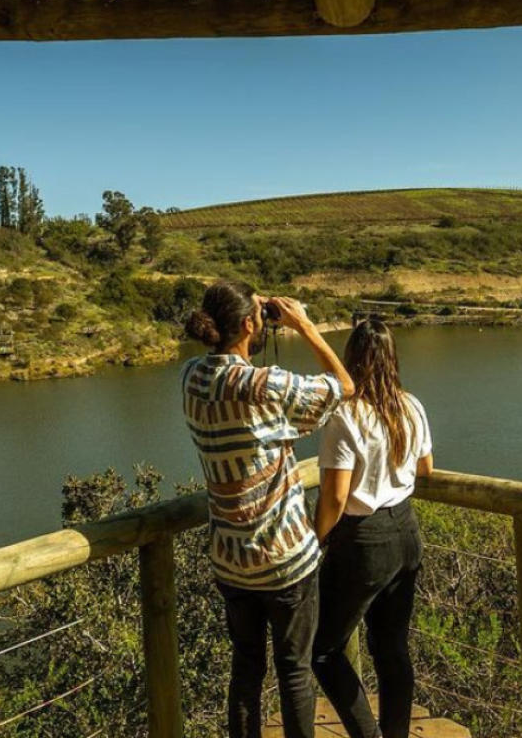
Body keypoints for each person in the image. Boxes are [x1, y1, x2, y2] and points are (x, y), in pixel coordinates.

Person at [181, 281, 355, 738]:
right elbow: (344, 387)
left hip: (231, 560)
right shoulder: (264, 384)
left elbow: (251, 402)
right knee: (294, 671)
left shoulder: (191, 377)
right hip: (284, 559)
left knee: (246, 671)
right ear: (245, 324)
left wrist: (253, 318)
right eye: (258, 314)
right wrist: (305, 326)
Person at [312, 317, 433, 738]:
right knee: (391, 647)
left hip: (365, 539)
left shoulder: (345, 417)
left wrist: (317, 539)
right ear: (391, 358)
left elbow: (335, 498)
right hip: (406, 532)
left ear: (352, 359)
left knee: (322, 648)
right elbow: (426, 467)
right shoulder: (411, 405)